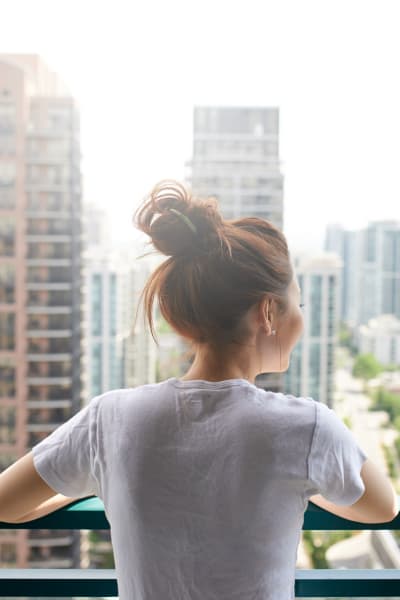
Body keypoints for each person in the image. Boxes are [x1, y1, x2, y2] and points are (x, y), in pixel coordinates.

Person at [0, 180, 397, 600]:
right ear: (267, 311)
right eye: (297, 303)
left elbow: (7, 502)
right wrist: (305, 494)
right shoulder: (307, 427)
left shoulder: (111, 418)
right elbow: (381, 507)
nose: (301, 317)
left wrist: (91, 487)